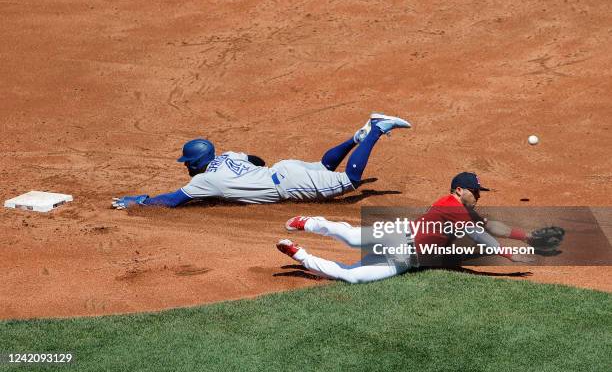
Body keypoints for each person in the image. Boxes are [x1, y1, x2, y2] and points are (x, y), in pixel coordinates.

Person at [276, 172, 554, 283]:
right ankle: (311, 222)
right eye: (475, 191)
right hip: (396, 236)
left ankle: (300, 255)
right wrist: (508, 255)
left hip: (407, 260)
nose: (479, 195)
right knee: (350, 238)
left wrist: (526, 236)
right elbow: (478, 234)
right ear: (459, 190)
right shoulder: (450, 204)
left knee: (353, 278)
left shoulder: (466, 211)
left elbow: (491, 226)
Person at [111, 113, 411, 209]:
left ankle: (375, 129)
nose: (186, 166)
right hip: (281, 169)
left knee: (349, 181)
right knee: (324, 167)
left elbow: (173, 200)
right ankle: (355, 139)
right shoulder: (227, 156)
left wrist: (141, 201)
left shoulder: (205, 180)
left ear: (196, 163)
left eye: (188, 162)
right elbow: (256, 159)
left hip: (287, 183)